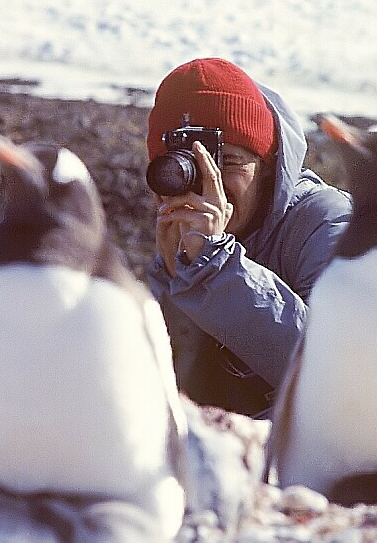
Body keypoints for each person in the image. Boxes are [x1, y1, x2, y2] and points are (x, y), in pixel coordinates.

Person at [145, 57, 353, 419]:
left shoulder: (325, 221)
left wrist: (216, 270)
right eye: (184, 166)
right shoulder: (183, 234)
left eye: (229, 162)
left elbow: (329, 376)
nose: (209, 186)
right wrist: (174, 281)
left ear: (268, 164)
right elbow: (168, 390)